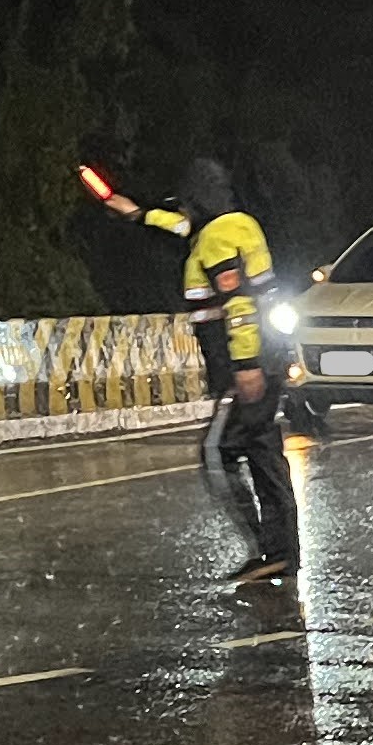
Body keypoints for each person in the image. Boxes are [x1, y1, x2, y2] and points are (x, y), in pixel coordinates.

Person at [102, 156, 296, 588]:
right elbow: (180, 228)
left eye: (186, 205)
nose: (183, 214)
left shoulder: (214, 241)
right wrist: (137, 214)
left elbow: (240, 305)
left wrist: (245, 367)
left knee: (218, 453)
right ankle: (279, 552)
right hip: (268, 355)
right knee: (264, 456)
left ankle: (269, 550)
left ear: (199, 203)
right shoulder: (234, 227)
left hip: (249, 363)